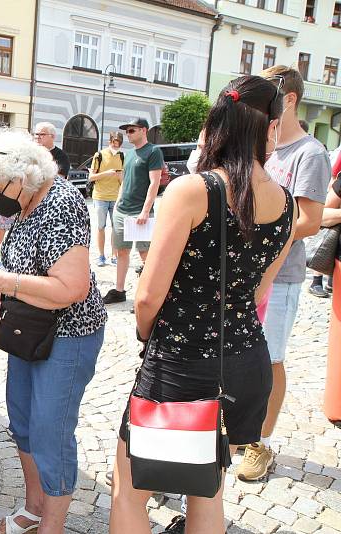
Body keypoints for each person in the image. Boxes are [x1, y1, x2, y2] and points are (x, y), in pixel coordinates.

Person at [109, 75, 296, 533]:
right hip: (244, 363)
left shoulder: (194, 190)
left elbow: (148, 297)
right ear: (270, 129)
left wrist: (152, 335)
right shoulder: (287, 204)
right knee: (206, 486)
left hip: (182, 363)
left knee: (129, 489)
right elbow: (255, 295)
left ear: (214, 127)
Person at [0, 129, 107, 534]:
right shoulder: (23, 201)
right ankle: (33, 507)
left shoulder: (60, 204)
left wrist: (6, 284)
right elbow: (26, 262)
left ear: (23, 175)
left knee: (51, 431)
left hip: (68, 334)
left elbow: (70, 289)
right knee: (23, 421)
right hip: (30, 327)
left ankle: (53, 526)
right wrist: (5, 289)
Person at [236, 65, 333, 482]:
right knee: (240, 357)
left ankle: (262, 443)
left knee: (269, 359)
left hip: (283, 276)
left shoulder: (309, 153)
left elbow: (311, 220)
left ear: (288, 99)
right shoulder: (263, 146)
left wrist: (259, 227)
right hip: (245, 270)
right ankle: (239, 429)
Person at [102, 118, 164, 304]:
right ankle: (119, 291)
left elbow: (154, 183)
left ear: (143, 130)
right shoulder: (128, 154)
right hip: (122, 210)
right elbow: (125, 179)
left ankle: (150, 295)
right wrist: (118, 201)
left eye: (131, 130)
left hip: (140, 212)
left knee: (145, 254)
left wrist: (145, 211)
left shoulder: (153, 151)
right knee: (122, 251)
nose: (127, 134)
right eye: (126, 131)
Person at [89, 131, 125, 266]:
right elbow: (91, 177)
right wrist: (107, 173)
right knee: (100, 227)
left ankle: (114, 256)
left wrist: (121, 178)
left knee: (116, 228)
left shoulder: (121, 156)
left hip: (116, 197)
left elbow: (122, 180)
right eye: (115, 142)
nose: (116, 146)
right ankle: (101, 255)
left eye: (119, 143)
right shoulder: (99, 155)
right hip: (100, 197)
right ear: (110, 141)